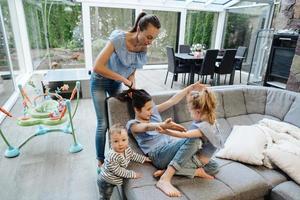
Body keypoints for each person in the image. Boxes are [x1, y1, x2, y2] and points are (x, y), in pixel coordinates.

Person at [119, 82, 222, 197]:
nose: (151, 111)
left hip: (171, 152)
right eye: (148, 109)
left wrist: (191, 87)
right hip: (158, 155)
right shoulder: (133, 124)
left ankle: (173, 170)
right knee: (194, 140)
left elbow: (172, 101)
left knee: (213, 167)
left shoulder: (153, 113)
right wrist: (163, 125)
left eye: (151, 108)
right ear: (137, 110)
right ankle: (165, 179)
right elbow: (146, 127)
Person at [90, 12, 161, 169]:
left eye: (153, 38)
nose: (150, 42)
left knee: (116, 120)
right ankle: (101, 161)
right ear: (138, 29)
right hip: (100, 81)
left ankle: (118, 154)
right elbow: (97, 67)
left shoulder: (143, 47)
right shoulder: (118, 39)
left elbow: (133, 68)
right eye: (148, 37)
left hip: (116, 83)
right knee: (103, 123)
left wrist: (131, 82)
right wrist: (123, 79)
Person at [153, 88, 223, 181]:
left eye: (190, 112)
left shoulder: (203, 128)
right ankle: (195, 172)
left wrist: (166, 131)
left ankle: (170, 171)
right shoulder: (211, 118)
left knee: (215, 167)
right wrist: (191, 90)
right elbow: (190, 98)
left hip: (198, 162)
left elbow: (184, 135)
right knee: (181, 164)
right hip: (195, 159)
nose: (190, 114)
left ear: (198, 111)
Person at [97, 123, 151, 200]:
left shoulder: (127, 149)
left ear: (127, 139)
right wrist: (133, 174)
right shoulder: (112, 156)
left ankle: (102, 169)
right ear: (111, 142)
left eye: (123, 140)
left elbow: (133, 155)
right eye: (116, 141)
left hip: (113, 179)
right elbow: (118, 171)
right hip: (106, 182)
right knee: (105, 197)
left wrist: (144, 159)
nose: (120, 144)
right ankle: (101, 172)